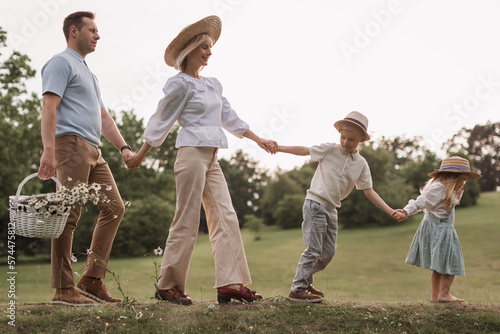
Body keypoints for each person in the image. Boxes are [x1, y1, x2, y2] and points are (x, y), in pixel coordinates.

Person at [127, 15, 277, 305]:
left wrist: (258, 139)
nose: (210, 51)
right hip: (191, 155)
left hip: (212, 157)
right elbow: (162, 120)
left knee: (225, 216)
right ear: (191, 49)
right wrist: (139, 155)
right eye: (205, 46)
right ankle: (168, 286)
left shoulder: (213, 84)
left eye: (211, 46)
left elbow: (229, 117)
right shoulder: (179, 84)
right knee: (187, 218)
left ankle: (231, 283)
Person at [38, 11, 132, 306]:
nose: (97, 35)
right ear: (74, 31)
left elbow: (103, 117)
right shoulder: (60, 63)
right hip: (70, 147)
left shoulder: (89, 73)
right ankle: (63, 289)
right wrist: (49, 150)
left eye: (98, 30)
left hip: (93, 150)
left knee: (114, 208)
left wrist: (124, 148)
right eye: (92, 29)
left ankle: (91, 280)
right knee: (66, 215)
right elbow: (49, 107)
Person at [277, 111, 402, 302]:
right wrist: (279, 148)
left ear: (361, 139)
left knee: (327, 254)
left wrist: (390, 210)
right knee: (313, 250)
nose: (345, 142)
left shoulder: (361, 163)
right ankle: (298, 288)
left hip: (332, 209)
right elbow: (304, 150)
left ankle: (305, 283)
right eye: (343, 137)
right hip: (315, 204)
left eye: (351, 139)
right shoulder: (329, 149)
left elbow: (369, 191)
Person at [395, 156, 481, 303]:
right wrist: (405, 211)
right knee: (451, 262)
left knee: (440, 265)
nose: (464, 182)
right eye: (464, 178)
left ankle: (436, 296)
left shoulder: (452, 190)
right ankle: (443, 294)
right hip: (439, 228)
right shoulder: (439, 188)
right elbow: (420, 202)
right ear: (454, 177)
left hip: (441, 228)